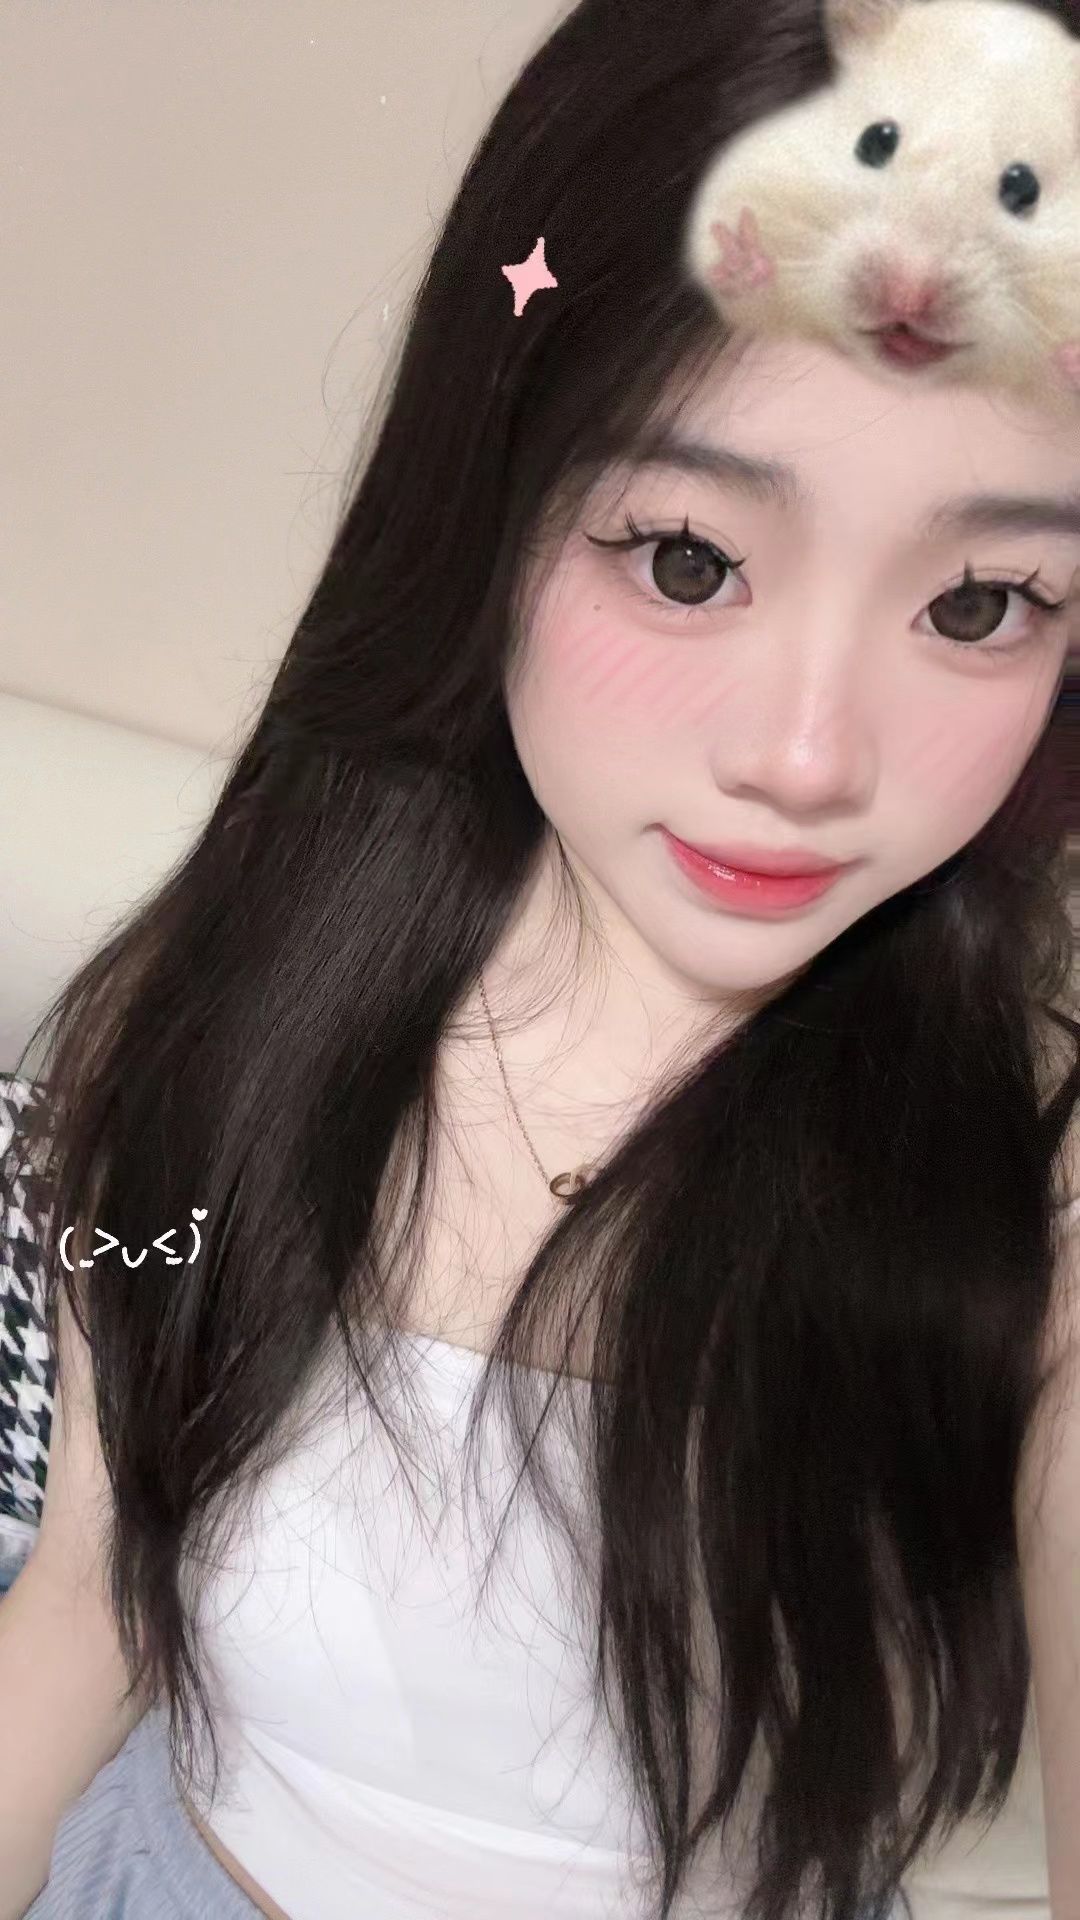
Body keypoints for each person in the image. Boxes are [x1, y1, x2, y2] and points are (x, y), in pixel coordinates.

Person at [6, 0, 1080, 1915]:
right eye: (687, 560)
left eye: (982, 601)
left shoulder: (1022, 1206)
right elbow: (91, 1599)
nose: (808, 758)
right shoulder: (198, 1046)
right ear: (492, 506)